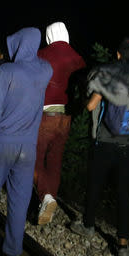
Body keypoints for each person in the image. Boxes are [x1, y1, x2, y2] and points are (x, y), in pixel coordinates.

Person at [0, 27, 52, 256]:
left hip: (2, 142)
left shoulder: (6, 70)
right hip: (28, 146)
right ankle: (10, 255)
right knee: (19, 200)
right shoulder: (45, 70)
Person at [70, 37, 129, 256]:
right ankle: (123, 244)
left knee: (95, 183)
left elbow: (90, 105)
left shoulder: (109, 74)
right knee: (123, 193)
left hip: (106, 140)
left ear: (118, 55)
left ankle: (88, 225)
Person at [34, 22, 86, 225]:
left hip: (44, 116)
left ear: (49, 35)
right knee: (55, 161)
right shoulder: (78, 58)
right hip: (66, 118)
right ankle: (50, 201)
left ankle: (45, 197)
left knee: (35, 158)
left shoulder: (42, 54)